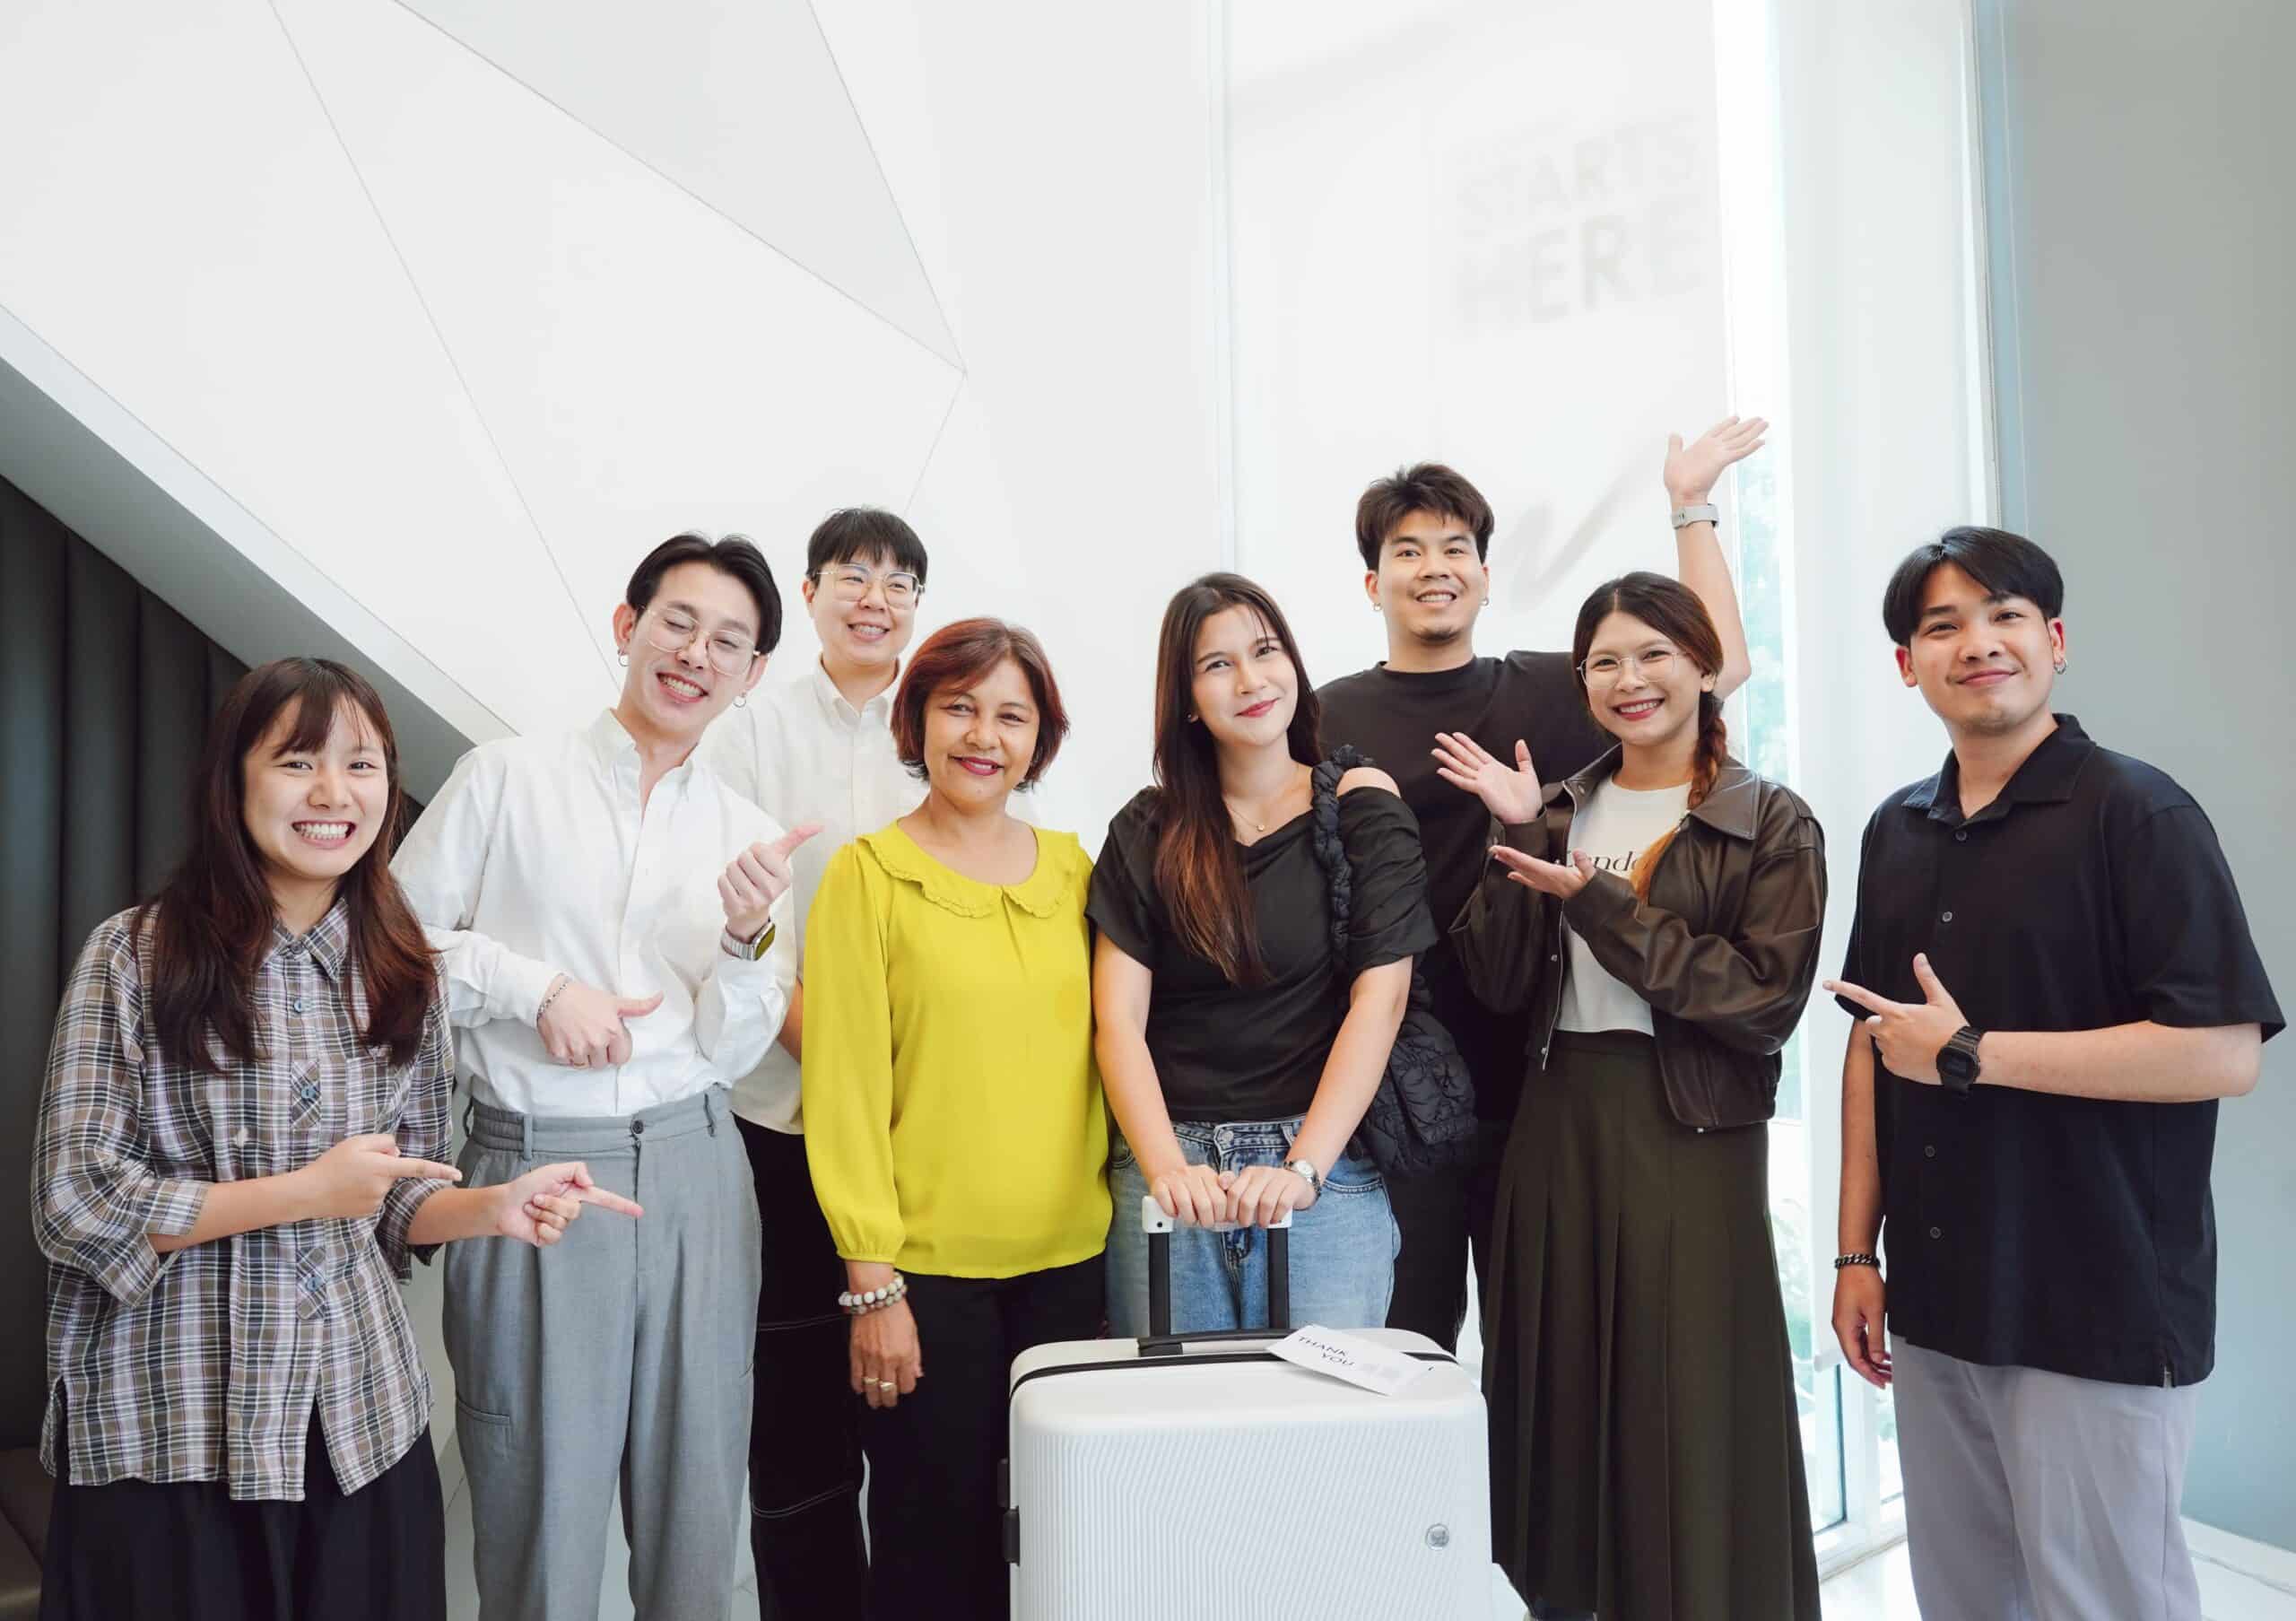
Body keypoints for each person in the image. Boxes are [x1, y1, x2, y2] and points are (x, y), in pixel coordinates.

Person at [32, 658, 637, 1621]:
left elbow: (394, 1193)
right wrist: (303, 1192)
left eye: (361, 765)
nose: (332, 793)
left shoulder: (404, 966)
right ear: (233, 780)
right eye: (297, 762)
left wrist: (493, 1206)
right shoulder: (133, 953)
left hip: (356, 1420)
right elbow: (76, 1203)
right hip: (169, 1423)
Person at [1824, 527, 2280, 1621]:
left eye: (2005, 616)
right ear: (1908, 665)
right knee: (1966, 1599)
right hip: (1939, 1297)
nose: (1978, 643)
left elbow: (2221, 1053)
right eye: (1944, 626)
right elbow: (1872, 1040)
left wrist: (1971, 1053)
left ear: (2055, 641)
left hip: (2095, 1298)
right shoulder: (1895, 828)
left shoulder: (2139, 813)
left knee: (2103, 1601)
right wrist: (1853, 1251)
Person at [392, 535, 813, 1621]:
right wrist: (533, 988)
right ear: (628, 626)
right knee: (538, 1505)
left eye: (729, 642)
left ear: (753, 673)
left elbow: (732, 1049)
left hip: (696, 1167)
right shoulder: (505, 778)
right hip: (534, 1166)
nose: (697, 654)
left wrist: (747, 937)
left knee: (699, 1506)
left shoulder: (747, 837)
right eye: (678, 622)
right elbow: (387, 949)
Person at [1316, 423, 1763, 1354]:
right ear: (1372, 584)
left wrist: (1690, 505)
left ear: (1485, 576)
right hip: (1391, 1088)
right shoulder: (1326, 716)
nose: (1433, 569)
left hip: (1541, 1078)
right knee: (1403, 1351)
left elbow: (1712, 665)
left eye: (1454, 549)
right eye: (1407, 551)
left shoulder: (1552, 689)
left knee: (1541, 1352)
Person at [1450, 571, 1825, 1620]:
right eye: (1604, 662)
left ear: (1704, 666)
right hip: (1556, 1120)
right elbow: (1495, 984)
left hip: (1690, 1130)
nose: (1630, 679)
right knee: (1555, 1389)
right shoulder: (1559, 805)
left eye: (1655, 653)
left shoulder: (1770, 818)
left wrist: (1599, 902)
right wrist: (1520, 839)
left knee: (1687, 1395)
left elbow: (1759, 1000)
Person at [800, 617, 1104, 1621]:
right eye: (960, 707)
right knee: (933, 1551)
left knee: (1065, 1547)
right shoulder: (866, 875)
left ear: (1040, 737)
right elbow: (843, 1089)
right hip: (924, 1281)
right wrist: (871, 1284)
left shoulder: (1077, 872)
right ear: (918, 720)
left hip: (1074, 1271)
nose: (984, 735)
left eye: (1012, 715)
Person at [1091, 573, 1434, 1338]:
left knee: (1323, 1412)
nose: (1250, 680)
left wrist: (1303, 1168)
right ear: (1186, 699)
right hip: (1172, 1172)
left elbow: (1380, 1001)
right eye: (1218, 665)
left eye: (1266, 651)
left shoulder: (1359, 802)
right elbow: (1117, 1022)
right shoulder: (1147, 828)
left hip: (1323, 1169)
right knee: (1178, 1411)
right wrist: (1167, 1170)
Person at [697, 507, 932, 1615]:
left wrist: (898, 1086)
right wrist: (839, 1067)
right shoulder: (747, 730)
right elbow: (740, 921)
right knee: (794, 1416)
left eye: (898, 582)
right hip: (780, 1116)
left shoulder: (946, 719)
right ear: (810, 592)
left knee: (923, 1415)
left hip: (919, 1127)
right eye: (852, 575)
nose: (874, 599)